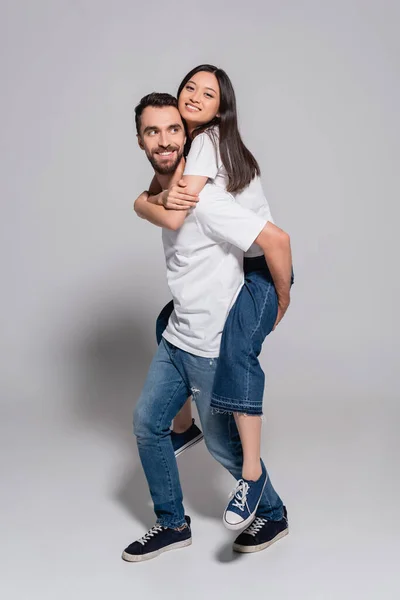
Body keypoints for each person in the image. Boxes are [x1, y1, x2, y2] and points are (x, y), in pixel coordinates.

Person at [122, 71, 291, 563]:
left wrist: (281, 300)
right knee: (146, 424)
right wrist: (143, 201)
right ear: (141, 141)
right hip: (179, 336)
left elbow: (276, 241)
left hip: (212, 346)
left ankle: (274, 512)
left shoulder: (209, 201)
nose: (165, 140)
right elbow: (157, 203)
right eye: (153, 132)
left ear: (190, 136)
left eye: (173, 129)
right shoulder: (165, 192)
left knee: (229, 453)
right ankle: (172, 523)